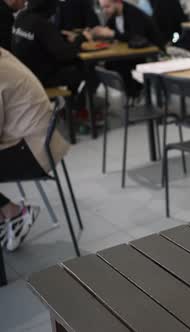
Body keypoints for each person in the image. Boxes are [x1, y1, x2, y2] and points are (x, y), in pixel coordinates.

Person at [0, 48, 70, 251]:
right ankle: (8, 215)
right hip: (42, 142)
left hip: (34, 153)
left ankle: (12, 212)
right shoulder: (4, 55)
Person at [11, 0, 90, 92]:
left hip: (24, 74)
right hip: (40, 78)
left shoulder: (21, 17)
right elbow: (65, 54)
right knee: (83, 67)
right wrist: (82, 38)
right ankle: (75, 103)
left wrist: (61, 36)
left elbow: (40, 38)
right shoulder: (42, 23)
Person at [92, 0, 165, 98]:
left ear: (118, 2)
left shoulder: (134, 14)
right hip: (132, 54)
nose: (105, 11)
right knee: (109, 64)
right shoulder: (114, 16)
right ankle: (132, 96)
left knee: (120, 64)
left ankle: (135, 95)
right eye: (103, 8)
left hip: (152, 54)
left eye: (107, 7)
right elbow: (111, 32)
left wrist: (112, 34)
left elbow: (136, 37)